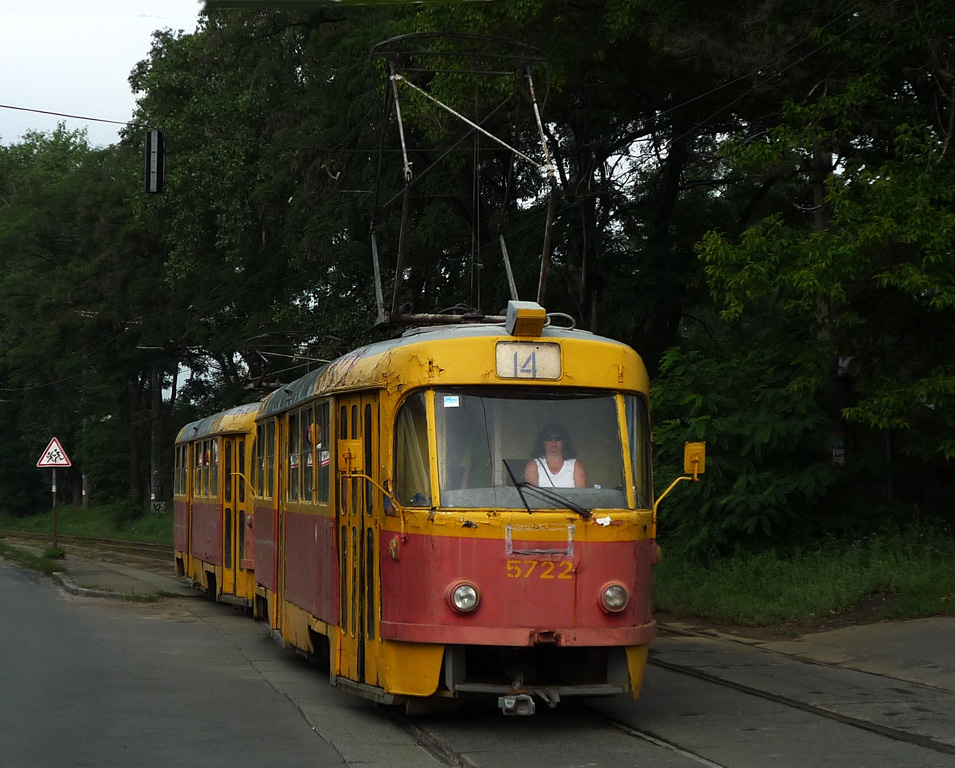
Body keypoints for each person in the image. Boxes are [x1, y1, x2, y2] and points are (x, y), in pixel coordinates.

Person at [524, 423, 587, 488]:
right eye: (549, 439)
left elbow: (582, 495)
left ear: (564, 442)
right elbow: (530, 494)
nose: (554, 443)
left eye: (558, 439)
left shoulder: (576, 466)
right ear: (543, 442)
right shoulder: (533, 465)